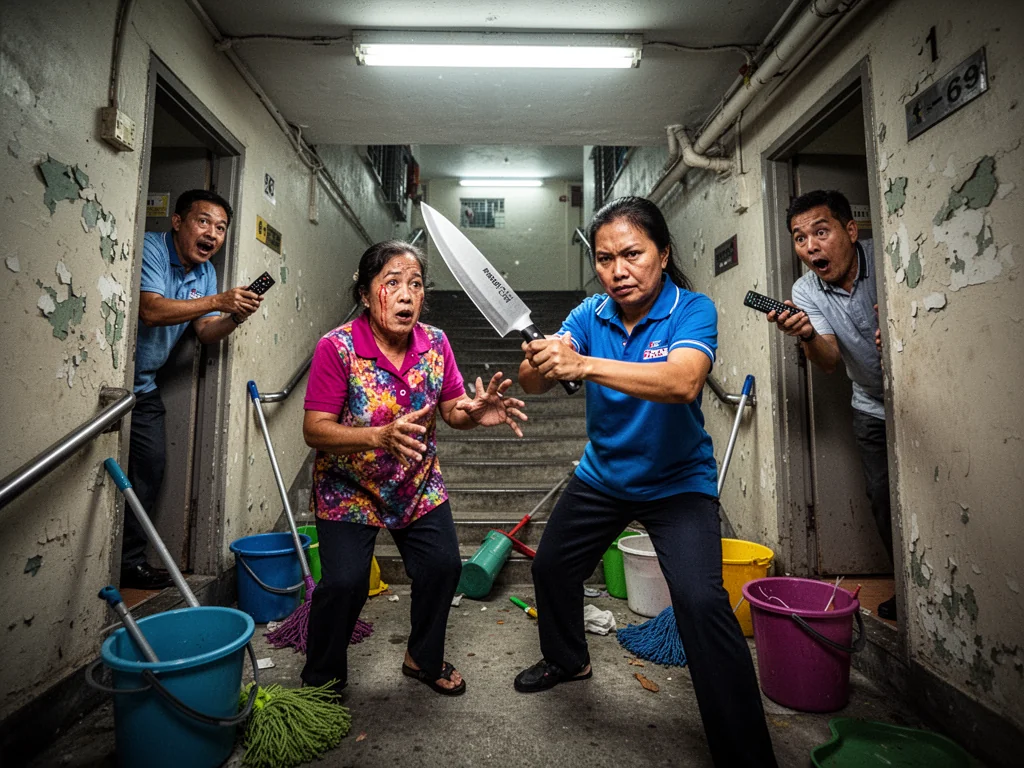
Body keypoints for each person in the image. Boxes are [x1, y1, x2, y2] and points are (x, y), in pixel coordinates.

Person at [514, 197, 777, 767]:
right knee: (550, 566)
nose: (618, 270)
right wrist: (543, 358)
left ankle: (745, 751)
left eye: (632, 253)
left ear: (663, 252)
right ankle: (568, 659)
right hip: (602, 476)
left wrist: (582, 366)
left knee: (701, 601)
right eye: (605, 259)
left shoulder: (693, 309)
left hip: (678, 483)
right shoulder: (590, 314)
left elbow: (683, 381)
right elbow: (533, 385)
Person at [300, 240, 527, 697]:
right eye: (392, 283)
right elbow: (315, 430)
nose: (406, 295)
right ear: (365, 294)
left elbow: (453, 409)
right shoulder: (337, 348)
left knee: (443, 568)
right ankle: (322, 679)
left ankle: (422, 657)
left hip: (417, 484)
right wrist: (377, 436)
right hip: (349, 488)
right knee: (344, 584)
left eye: (416, 284)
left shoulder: (436, 343)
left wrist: (474, 412)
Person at [766, 189, 895, 621]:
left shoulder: (890, 254)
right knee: (883, 499)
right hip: (870, 406)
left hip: (928, 398)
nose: (810, 247)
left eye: (821, 232)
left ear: (850, 230)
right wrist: (804, 334)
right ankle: (910, 590)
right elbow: (828, 361)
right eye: (800, 239)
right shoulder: (806, 289)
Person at [124, 189, 262, 589]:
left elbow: (205, 333)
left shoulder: (205, 273)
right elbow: (149, 309)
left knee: (150, 469)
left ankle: (129, 562)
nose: (213, 234)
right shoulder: (150, 248)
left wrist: (233, 316)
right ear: (178, 221)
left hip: (144, 387)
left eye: (220, 228)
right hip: (114, 384)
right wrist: (219, 299)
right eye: (204, 222)